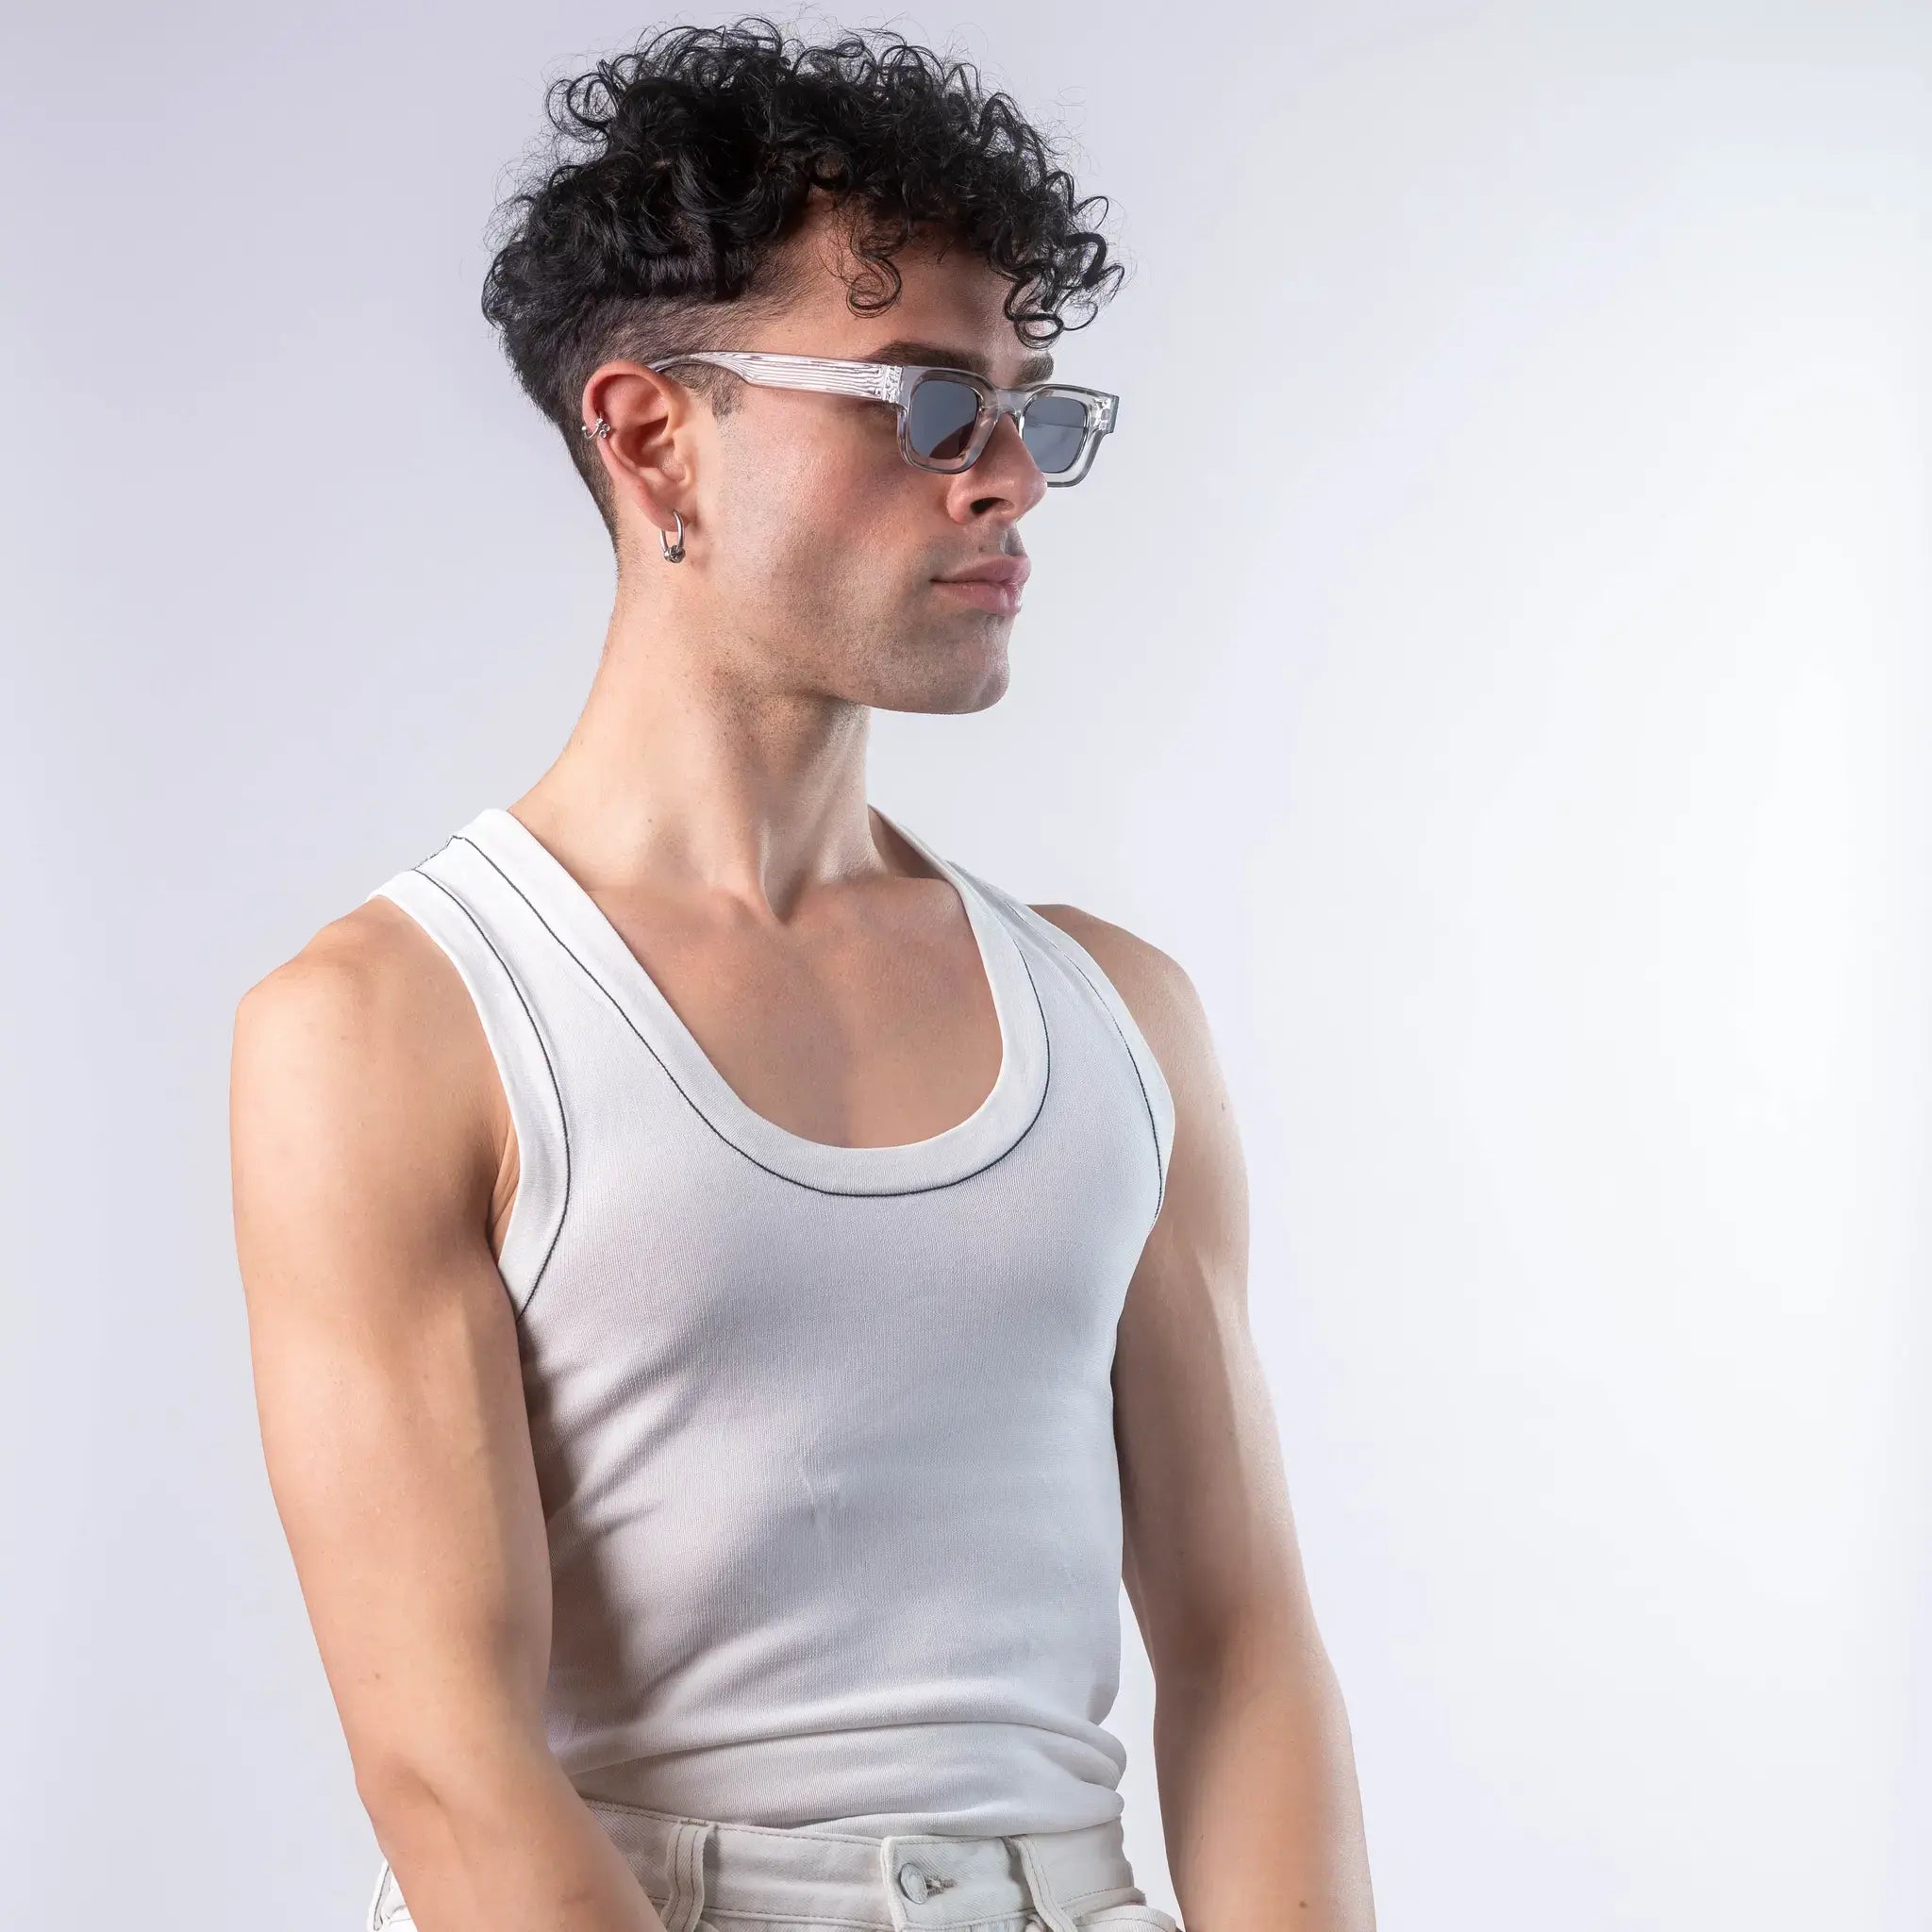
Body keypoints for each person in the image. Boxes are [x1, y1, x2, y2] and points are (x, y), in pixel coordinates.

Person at [228, 20, 1375, 1932]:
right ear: (652, 431)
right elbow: (445, 1758)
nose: (1009, 478)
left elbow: (1245, 1644)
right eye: (924, 406)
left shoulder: (1113, 1015)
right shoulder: (389, 1026)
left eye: (1032, 409)